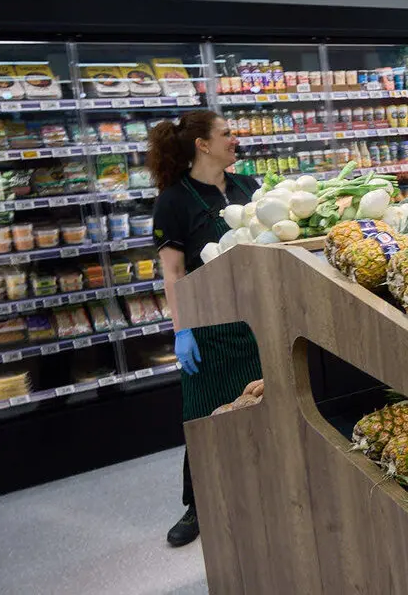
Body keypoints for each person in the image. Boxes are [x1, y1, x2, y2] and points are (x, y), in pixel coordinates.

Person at [148, 110, 262, 547]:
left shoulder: (246, 187)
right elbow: (173, 273)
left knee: (261, 405)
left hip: (253, 318)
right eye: (227, 133)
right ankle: (198, 504)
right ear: (202, 144)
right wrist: (183, 330)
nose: (235, 139)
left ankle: (257, 489)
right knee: (204, 416)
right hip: (209, 325)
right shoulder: (174, 200)